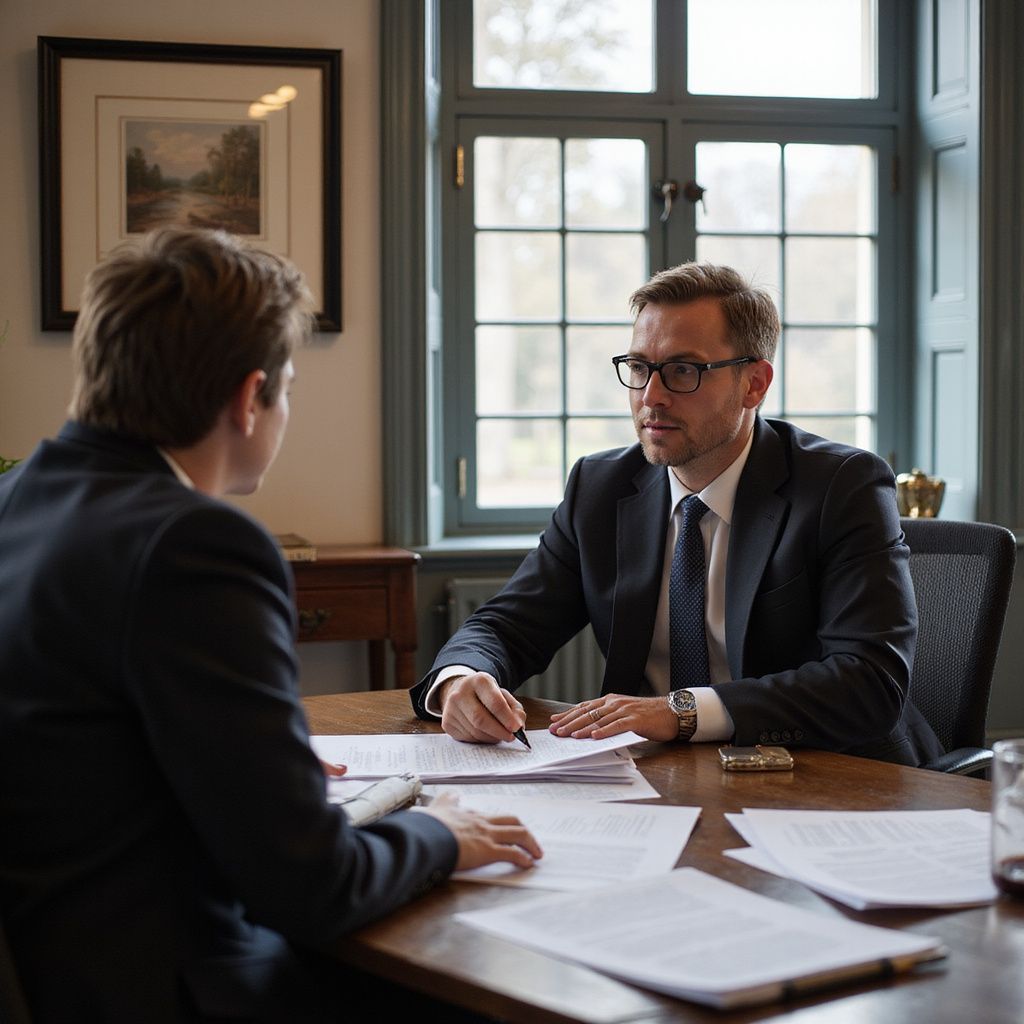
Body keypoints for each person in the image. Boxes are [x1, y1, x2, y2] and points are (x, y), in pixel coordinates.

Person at [0, 227, 540, 1024]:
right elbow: (312, 888)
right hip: (177, 984)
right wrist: (443, 835)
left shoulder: (22, 501)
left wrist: (256, 771)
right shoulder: (196, 544)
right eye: (287, 390)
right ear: (250, 398)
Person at [411, 262, 942, 767]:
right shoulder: (600, 487)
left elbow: (868, 682)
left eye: (683, 370)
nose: (651, 397)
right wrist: (461, 679)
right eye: (639, 368)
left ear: (754, 383)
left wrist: (680, 710)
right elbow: (508, 625)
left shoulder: (839, 487)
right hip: (654, 776)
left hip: (827, 779)